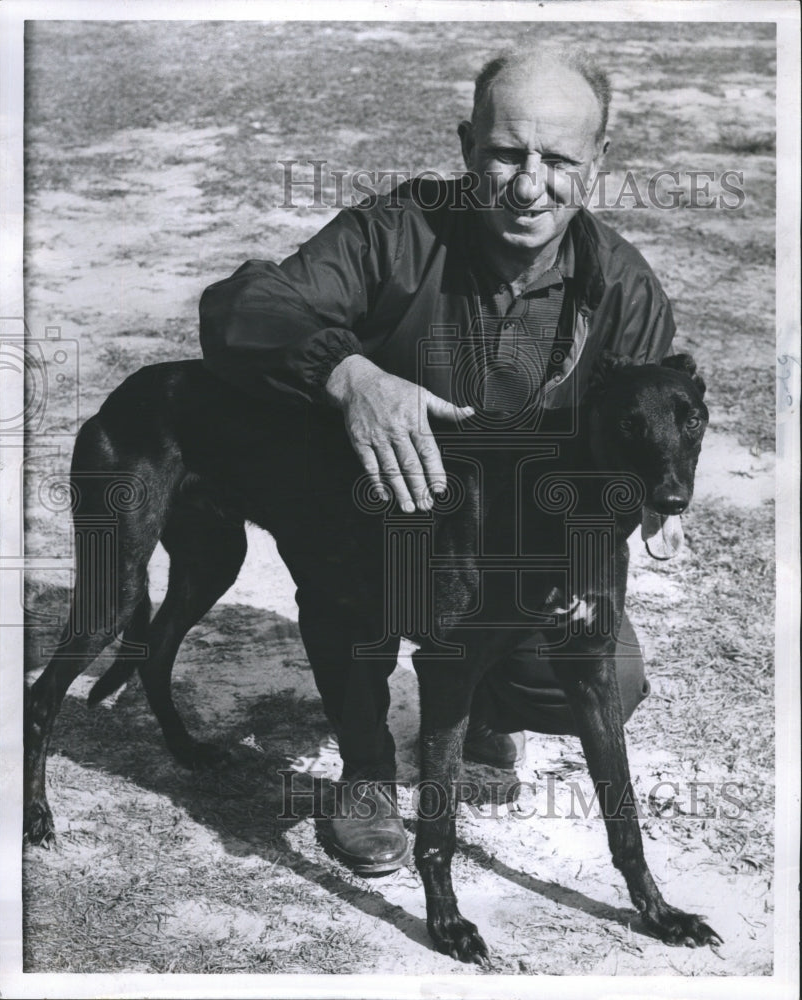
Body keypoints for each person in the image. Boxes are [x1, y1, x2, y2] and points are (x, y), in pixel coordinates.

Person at [199, 42, 675, 874]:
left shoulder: (622, 289)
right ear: (465, 146)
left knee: (607, 670)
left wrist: (600, 538)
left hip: (513, 545)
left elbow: (634, 447)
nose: (529, 184)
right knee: (350, 580)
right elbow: (242, 306)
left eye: (559, 159)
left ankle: (488, 694)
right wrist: (348, 376)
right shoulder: (394, 231)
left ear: (598, 162)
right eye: (505, 153)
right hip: (375, 526)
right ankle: (367, 770)